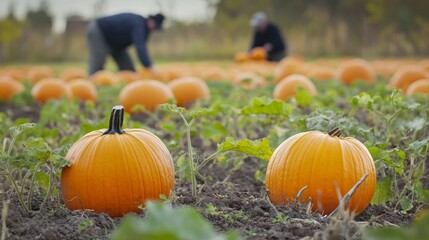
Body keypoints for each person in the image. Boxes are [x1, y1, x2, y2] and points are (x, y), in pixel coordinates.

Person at [86, 12, 164, 75]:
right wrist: (149, 66)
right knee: (98, 65)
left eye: (157, 28)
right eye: (155, 26)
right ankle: (92, 84)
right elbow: (140, 47)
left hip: (117, 43)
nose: (155, 29)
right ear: (150, 20)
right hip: (99, 31)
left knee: (129, 70)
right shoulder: (139, 24)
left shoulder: (145, 30)